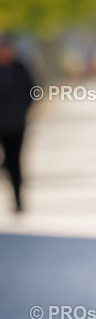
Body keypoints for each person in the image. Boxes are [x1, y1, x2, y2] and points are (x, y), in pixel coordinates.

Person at [0, 34, 36, 212]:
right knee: (8, 161)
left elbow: (33, 90)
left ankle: (18, 201)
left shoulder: (20, 68)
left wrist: (24, 109)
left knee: (15, 162)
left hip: (16, 124)